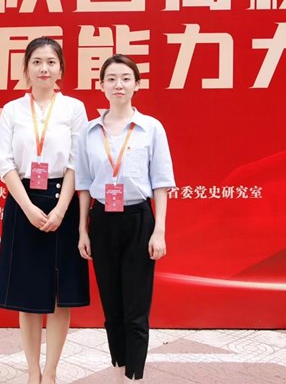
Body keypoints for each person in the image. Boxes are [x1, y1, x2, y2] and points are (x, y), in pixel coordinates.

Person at [0, 37, 90, 384]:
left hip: (63, 200)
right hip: (23, 201)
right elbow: (3, 162)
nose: (44, 68)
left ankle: (51, 372)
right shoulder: (12, 110)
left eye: (51, 62)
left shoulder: (73, 109)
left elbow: (79, 160)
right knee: (28, 294)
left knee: (61, 296)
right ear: (26, 69)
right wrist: (28, 208)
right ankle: (33, 372)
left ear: (61, 69)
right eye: (36, 62)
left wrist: (61, 210)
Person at [75, 54, 176, 382]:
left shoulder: (151, 128)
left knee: (136, 309)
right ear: (101, 85)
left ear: (137, 85)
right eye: (111, 79)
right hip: (102, 221)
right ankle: (119, 373)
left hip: (138, 220)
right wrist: (83, 230)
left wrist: (159, 231)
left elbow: (161, 183)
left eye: (125, 78)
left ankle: (135, 377)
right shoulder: (89, 132)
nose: (118, 85)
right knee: (112, 309)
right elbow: (84, 185)